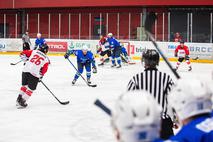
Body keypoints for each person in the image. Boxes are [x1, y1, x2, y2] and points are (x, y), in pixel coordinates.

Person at [127, 49, 175, 140]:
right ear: (157, 62)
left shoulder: (136, 78)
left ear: (144, 62)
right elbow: (174, 100)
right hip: (163, 124)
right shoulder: (166, 78)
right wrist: (174, 120)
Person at [16, 43, 50, 108]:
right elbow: (44, 70)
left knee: (24, 86)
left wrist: (25, 60)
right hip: (34, 73)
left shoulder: (34, 51)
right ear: (45, 50)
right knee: (31, 89)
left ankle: (19, 99)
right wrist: (41, 75)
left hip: (25, 70)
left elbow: (22, 53)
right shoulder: (46, 59)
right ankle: (22, 101)